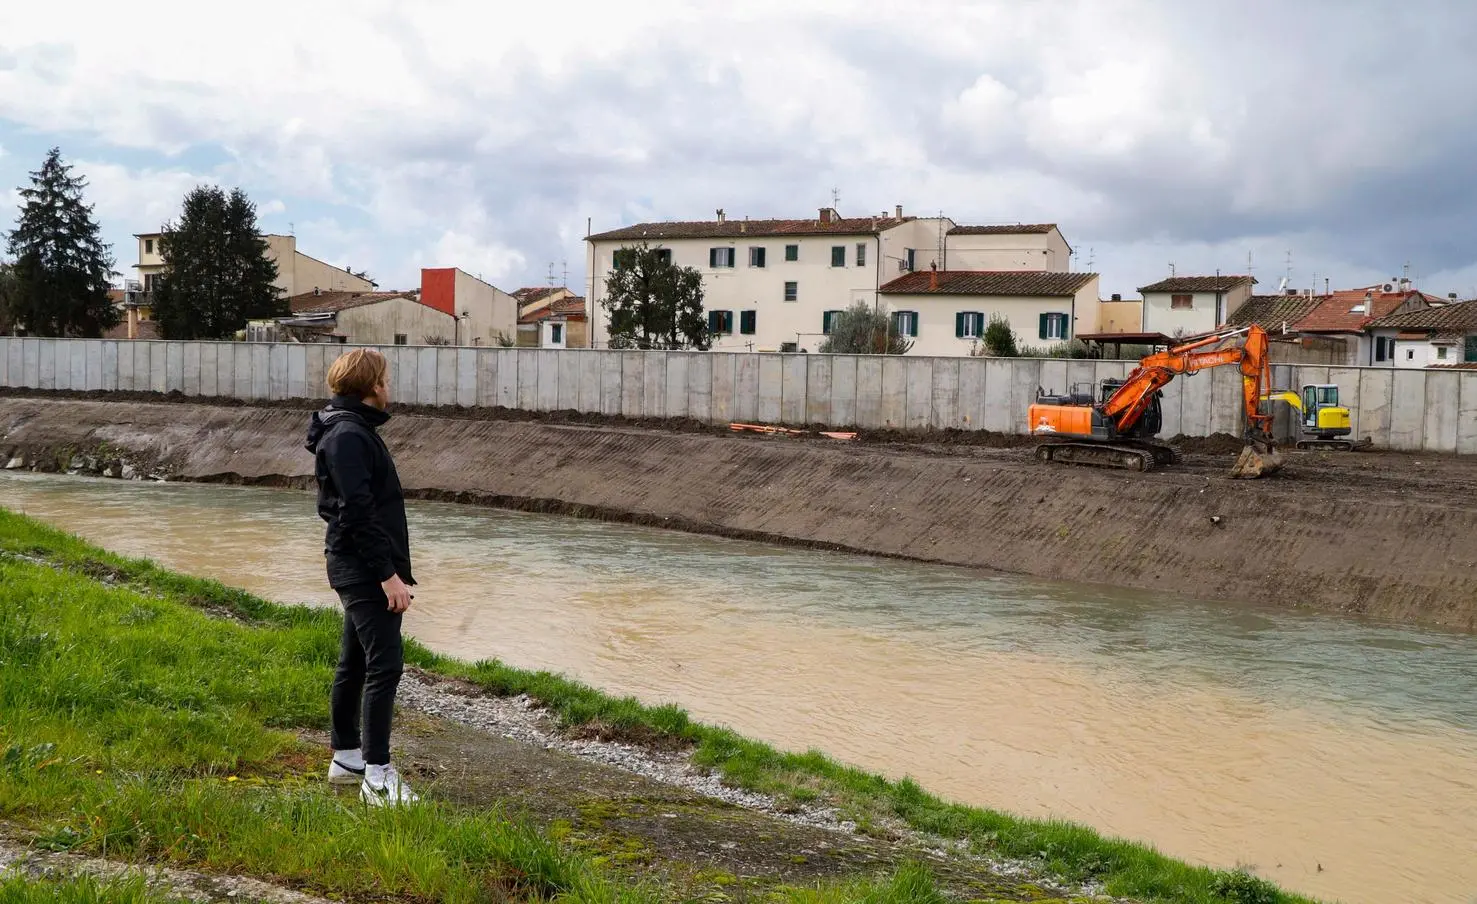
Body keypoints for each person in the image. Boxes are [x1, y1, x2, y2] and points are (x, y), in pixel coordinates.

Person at [304, 348, 419, 807]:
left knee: (354, 661)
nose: (389, 388)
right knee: (384, 665)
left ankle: (347, 758)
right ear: (373, 386)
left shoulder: (347, 429)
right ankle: (378, 775)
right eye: (386, 380)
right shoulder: (349, 435)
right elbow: (357, 512)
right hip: (364, 567)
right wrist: (387, 575)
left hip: (358, 564)